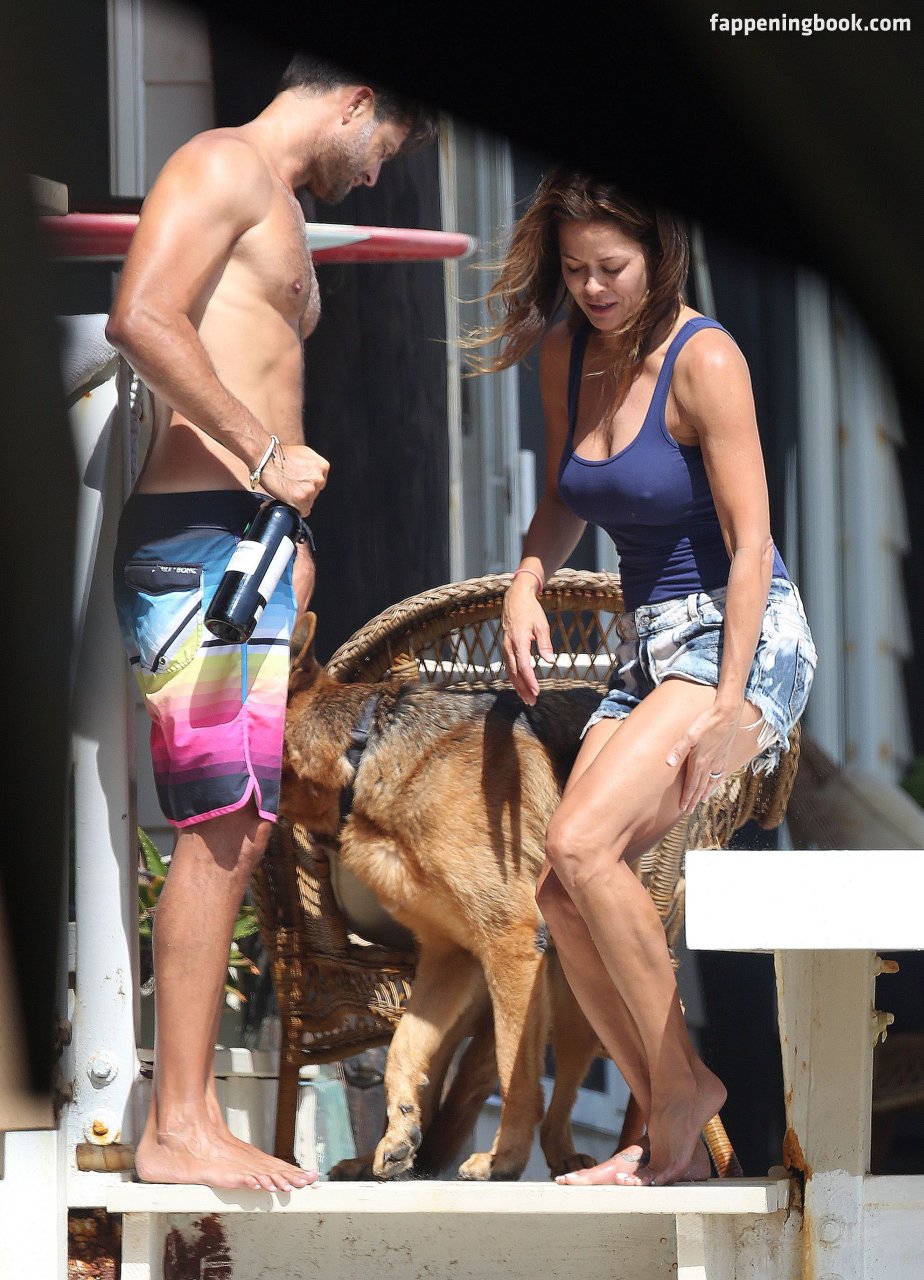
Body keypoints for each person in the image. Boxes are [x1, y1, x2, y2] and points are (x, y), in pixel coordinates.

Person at [106, 53, 436, 1191]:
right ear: (356, 100)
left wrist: (287, 534)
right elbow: (141, 316)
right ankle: (175, 1124)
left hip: (247, 546)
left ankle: (192, 1113)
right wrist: (260, 457)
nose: (377, 174)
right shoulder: (219, 164)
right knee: (218, 828)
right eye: (384, 148)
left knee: (239, 827)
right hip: (200, 535)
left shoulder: (279, 203)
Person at [465, 169, 816, 1186]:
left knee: (582, 841)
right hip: (649, 644)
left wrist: (731, 704)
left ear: (660, 256)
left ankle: (677, 1095)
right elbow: (563, 500)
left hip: (741, 635)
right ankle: (671, 1115)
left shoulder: (707, 360)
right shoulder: (568, 352)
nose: (592, 288)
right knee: (559, 889)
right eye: (575, 268)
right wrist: (527, 579)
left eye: (611, 267)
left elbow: (752, 547)